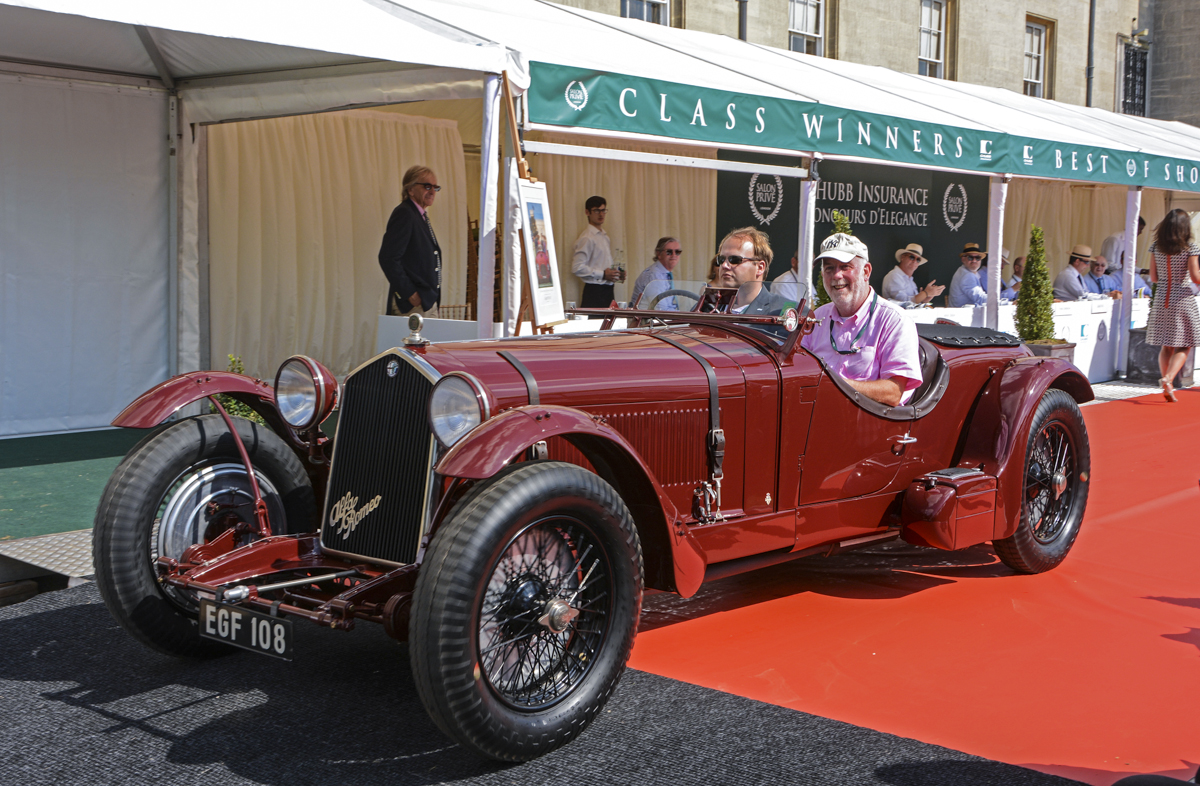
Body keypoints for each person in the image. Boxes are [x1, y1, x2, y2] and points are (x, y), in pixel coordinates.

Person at [800, 233, 922, 406]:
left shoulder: (895, 321)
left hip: (868, 426)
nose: (836, 275)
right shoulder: (816, 317)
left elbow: (893, 392)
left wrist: (833, 386)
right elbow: (798, 371)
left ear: (866, 271)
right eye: (829, 268)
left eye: (845, 267)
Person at [1145, 208, 1200, 402]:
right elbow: (1195, 277)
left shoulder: (1155, 247)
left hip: (1161, 299)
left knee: (1166, 346)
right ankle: (1168, 379)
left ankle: (1167, 386)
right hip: (1182, 298)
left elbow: (1153, 277)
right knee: (1186, 345)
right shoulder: (1190, 248)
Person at [378, 165, 442, 317]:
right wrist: (409, 293)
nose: (432, 191)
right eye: (427, 186)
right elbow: (388, 258)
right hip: (412, 306)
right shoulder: (405, 213)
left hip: (425, 302)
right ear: (410, 189)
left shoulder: (420, 215)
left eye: (435, 187)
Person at [713, 226, 787, 315]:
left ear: (760, 267)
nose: (724, 265)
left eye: (734, 259)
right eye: (721, 259)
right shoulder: (706, 308)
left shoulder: (783, 312)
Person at [572, 195, 623, 308]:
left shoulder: (605, 236)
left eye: (603, 210)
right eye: (596, 210)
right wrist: (603, 274)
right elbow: (577, 267)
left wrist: (616, 274)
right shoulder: (587, 238)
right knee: (595, 325)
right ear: (587, 212)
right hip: (594, 292)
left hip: (608, 291)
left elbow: (602, 263)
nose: (601, 214)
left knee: (611, 325)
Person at [881, 243, 944, 307]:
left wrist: (924, 299)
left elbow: (913, 304)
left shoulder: (910, 280)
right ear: (903, 257)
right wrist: (925, 293)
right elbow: (903, 303)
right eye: (912, 257)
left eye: (918, 259)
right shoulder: (894, 276)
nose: (914, 261)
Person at [631, 236, 682, 310]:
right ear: (659, 254)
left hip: (660, 318)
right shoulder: (654, 275)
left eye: (677, 252)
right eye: (669, 252)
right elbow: (660, 309)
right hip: (647, 320)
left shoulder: (665, 274)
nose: (674, 255)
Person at [948, 243, 988, 307]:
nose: (974, 260)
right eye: (970, 257)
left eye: (977, 258)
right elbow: (979, 298)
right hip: (963, 315)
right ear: (963, 259)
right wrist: (998, 300)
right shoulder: (967, 275)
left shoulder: (965, 271)